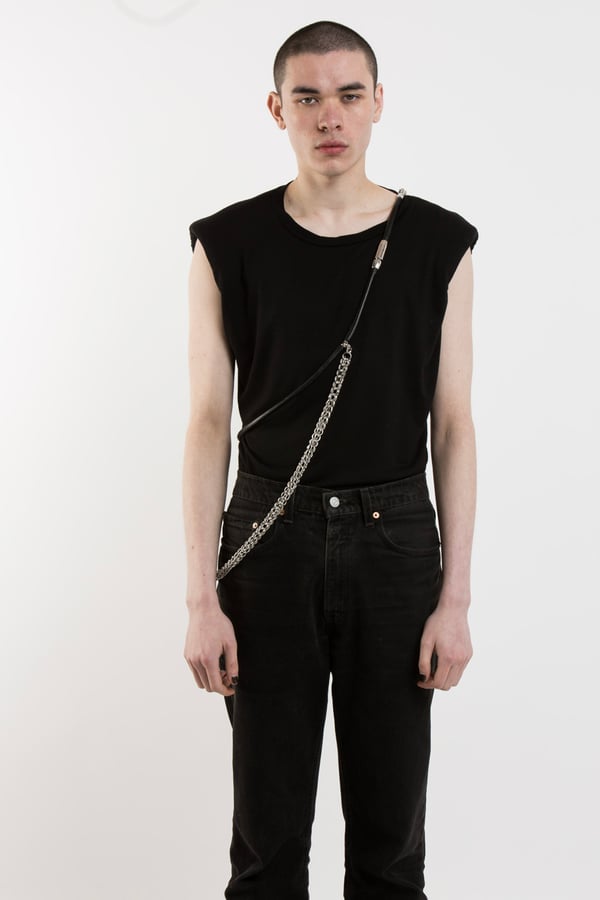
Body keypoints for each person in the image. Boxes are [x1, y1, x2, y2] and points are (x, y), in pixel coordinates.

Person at [182, 20, 478, 900]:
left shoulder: (440, 243)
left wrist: (455, 600)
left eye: (349, 94)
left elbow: (453, 425)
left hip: (396, 544)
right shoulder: (227, 242)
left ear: (378, 102)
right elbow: (207, 421)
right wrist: (200, 600)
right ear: (277, 109)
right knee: (266, 845)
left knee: (390, 848)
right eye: (307, 97)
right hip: (267, 541)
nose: (330, 117)